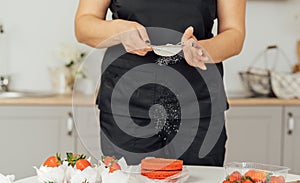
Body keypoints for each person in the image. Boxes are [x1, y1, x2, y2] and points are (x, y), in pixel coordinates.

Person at [75, 0, 246, 166]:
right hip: (126, 104)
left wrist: (202, 50)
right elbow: (83, 26)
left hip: (198, 104)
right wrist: (119, 30)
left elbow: (234, 33)